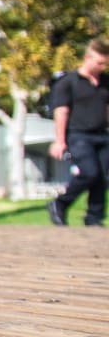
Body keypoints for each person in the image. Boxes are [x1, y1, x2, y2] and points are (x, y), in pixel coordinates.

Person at [49, 36, 109, 227]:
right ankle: (60, 203)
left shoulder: (106, 82)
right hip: (78, 135)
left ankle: (94, 217)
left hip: (102, 134)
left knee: (102, 177)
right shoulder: (68, 82)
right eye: (100, 63)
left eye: (105, 63)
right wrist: (59, 140)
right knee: (90, 172)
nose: (103, 67)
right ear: (88, 58)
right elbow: (61, 111)